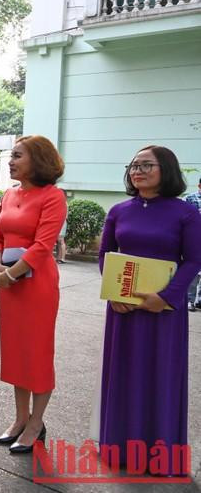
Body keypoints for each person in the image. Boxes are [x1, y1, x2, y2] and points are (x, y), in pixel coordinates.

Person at [97, 146, 201, 473]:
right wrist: (114, 293)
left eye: (146, 165)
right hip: (123, 309)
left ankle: (160, 456)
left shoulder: (185, 213)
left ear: (166, 169)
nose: (138, 171)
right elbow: (106, 254)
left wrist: (168, 296)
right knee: (123, 373)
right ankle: (119, 449)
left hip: (164, 312)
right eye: (134, 165)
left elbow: (195, 259)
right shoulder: (118, 211)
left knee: (160, 376)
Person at [0, 135, 66, 454]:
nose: (11, 161)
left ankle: (37, 422)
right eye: (12, 155)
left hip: (35, 286)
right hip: (7, 286)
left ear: (38, 160)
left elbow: (42, 245)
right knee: (16, 352)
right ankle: (20, 418)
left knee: (36, 353)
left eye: (18, 156)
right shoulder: (9, 194)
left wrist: (10, 273)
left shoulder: (53, 196)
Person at [184, 178, 201, 311]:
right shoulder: (189, 199)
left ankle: (199, 300)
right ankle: (189, 300)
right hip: (195, 239)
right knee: (193, 271)